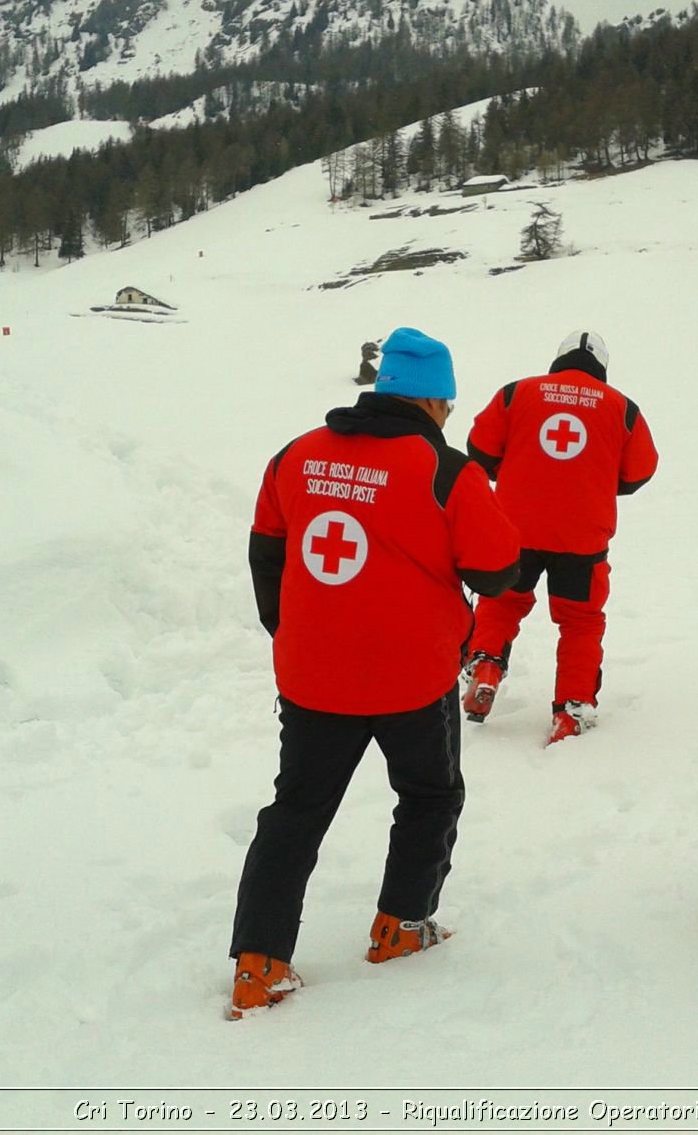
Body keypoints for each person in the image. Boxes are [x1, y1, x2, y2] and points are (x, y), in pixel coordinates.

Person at [228, 326, 519, 1020]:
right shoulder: (448, 471)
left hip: (312, 676)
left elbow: (265, 551)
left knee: (295, 811)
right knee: (429, 795)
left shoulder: (295, 455)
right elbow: (498, 569)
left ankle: (258, 964)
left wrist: (292, 629)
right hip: (412, 679)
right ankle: (401, 926)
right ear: (434, 402)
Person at [461, 330, 659, 745]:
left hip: (516, 529)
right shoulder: (622, 408)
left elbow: (479, 449)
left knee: (503, 601)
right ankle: (571, 710)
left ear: (558, 360)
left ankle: (485, 668)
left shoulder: (517, 393)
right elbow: (640, 470)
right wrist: (599, 483)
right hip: (583, 539)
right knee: (580, 621)